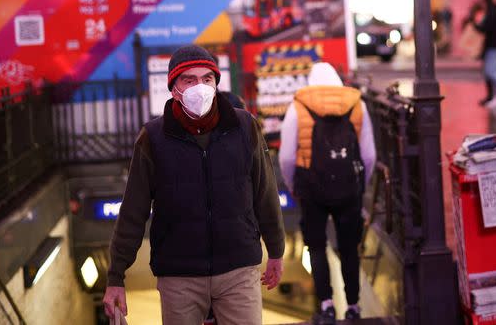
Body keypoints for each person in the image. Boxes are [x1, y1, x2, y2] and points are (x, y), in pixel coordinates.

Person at [103, 45, 285, 325]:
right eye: (189, 80)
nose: (200, 87)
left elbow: (265, 193)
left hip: (238, 268)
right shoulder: (153, 138)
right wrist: (116, 275)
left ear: (216, 83)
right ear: (173, 88)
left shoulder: (244, 126)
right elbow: (132, 212)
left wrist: (276, 250)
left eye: (207, 79)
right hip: (179, 275)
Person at [279, 62, 376, 324]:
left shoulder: (298, 106)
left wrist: (293, 185)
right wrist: (360, 185)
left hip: (311, 188)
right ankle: (354, 306)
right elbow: (369, 154)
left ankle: (327, 305)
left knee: (316, 246)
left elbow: (287, 156)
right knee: (348, 248)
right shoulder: (358, 104)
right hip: (349, 188)